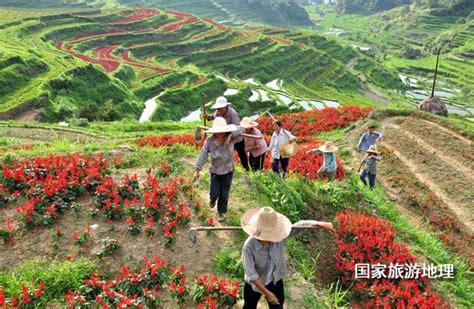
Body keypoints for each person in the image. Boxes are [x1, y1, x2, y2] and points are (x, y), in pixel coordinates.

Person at [241, 207, 335, 309]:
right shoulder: (248, 247)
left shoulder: (279, 236)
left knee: (277, 305)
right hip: (255, 284)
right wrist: (268, 294)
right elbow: (252, 275)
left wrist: (318, 224)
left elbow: (299, 226)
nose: (269, 239)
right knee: (249, 306)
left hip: (274, 278)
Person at [194, 117, 260, 222]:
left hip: (228, 172)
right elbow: (203, 155)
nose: (221, 133)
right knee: (215, 193)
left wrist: (230, 135)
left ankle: (221, 212)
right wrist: (197, 170)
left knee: (224, 194)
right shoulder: (209, 141)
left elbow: (241, 128)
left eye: (223, 131)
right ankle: (212, 199)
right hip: (215, 172)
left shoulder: (233, 138)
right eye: (218, 131)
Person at [205, 96, 249, 171]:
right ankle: (230, 169)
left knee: (241, 154)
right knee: (228, 153)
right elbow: (214, 117)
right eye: (218, 108)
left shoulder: (233, 114)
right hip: (224, 136)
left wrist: (230, 136)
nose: (219, 110)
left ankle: (246, 169)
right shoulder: (218, 111)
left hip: (236, 137)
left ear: (226, 106)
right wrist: (208, 117)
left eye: (221, 108)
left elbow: (238, 128)